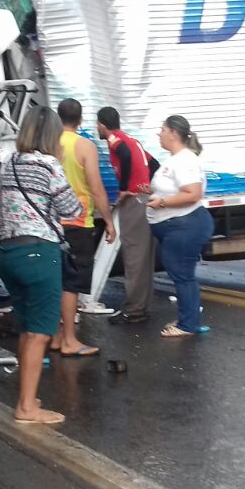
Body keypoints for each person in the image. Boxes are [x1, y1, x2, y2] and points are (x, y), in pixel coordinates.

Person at [0, 106, 84, 425]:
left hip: (8, 253)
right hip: (38, 253)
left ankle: (27, 397)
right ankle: (26, 408)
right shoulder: (49, 166)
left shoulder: (9, 163)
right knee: (39, 333)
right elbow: (71, 208)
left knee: (26, 328)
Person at [53, 98, 116, 356]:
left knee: (56, 281)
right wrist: (109, 222)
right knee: (72, 283)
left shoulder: (49, 144)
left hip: (50, 222)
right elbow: (96, 188)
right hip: (78, 221)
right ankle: (69, 339)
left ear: (59, 118)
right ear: (80, 121)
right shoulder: (84, 146)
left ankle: (57, 337)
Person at [145, 115, 214, 337]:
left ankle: (187, 325)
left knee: (182, 275)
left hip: (185, 226)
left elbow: (192, 194)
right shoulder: (176, 159)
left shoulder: (185, 160)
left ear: (174, 133)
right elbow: (175, 188)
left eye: (162, 129)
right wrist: (153, 192)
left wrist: (162, 202)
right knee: (183, 274)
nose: (159, 133)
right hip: (176, 225)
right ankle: (189, 319)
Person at [98, 107, 159, 325]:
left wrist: (124, 189)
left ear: (103, 125)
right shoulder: (134, 141)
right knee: (144, 257)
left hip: (133, 202)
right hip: (143, 201)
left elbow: (122, 153)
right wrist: (151, 187)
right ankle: (140, 308)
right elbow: (154, 165)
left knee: (134, 256)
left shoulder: (115, 140)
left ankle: (133, 310)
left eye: (98, 125)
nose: (97, 128)